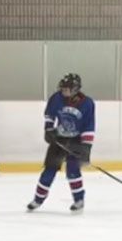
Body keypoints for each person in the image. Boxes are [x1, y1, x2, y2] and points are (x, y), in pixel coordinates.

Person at [27, 73, 95, 213]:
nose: (63, 90)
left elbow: (89, 127)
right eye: (62, 87)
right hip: (59, 140)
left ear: (75, 89)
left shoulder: (87, 103)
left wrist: (86, 149)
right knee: (49, 169)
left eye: (67, 88)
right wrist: (49, 129)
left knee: (73, 171)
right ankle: (38, 199)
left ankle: (79, 200)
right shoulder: (57, 98)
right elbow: (49, 115)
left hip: (76, 141)